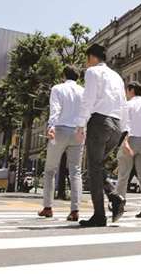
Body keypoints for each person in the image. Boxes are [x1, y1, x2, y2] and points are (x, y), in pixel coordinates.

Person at [75, 44, 127, 227]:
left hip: (99, 122)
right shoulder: (117, 76)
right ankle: (114, 197)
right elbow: (123, 102)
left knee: (93, 169)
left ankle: (100, 215)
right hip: (116, 125)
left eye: (86, 59)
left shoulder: (92, 72)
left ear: (91, 57)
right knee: (97, 168)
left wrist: (81, 124)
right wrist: (125, 130)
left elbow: (88, 99)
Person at [38, 66, 85, 221]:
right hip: (78, 132)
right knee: (75, 171)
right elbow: (86, 112)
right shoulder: (83, 91)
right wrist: (83, 129)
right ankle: (75, 211)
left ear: (64, 75)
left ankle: (48, 207)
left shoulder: (57, 88)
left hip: (60, 130)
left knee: (50, 170)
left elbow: (55, 109)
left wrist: (51, 126)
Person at [113, 81, 141, 218]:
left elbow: (124, 126)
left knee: (123, 176)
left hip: (129, 140)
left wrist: (124, 142)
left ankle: (118, 206)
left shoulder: (127, 105)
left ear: (131, 90)